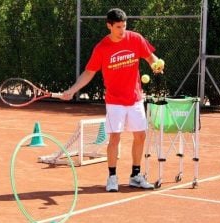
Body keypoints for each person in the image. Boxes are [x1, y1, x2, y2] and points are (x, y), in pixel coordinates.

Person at [61, 8, 164, 192]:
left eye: (124, 26)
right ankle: (112, 177)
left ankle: (135, 175)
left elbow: (150, 57)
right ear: (109, 26)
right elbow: (89, 72)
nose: (122, 30)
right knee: (114, 138)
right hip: (114, 100)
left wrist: (156, 65)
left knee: (140, 135)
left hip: (135, 98)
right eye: (118, 27)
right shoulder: (101, 48)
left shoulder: (135, 39)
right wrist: (72, 90)